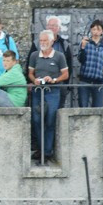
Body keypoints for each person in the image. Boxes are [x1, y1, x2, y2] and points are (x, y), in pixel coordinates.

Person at [28, 31, 69, 161]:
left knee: (50, 120)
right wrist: (34, 80)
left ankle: (47, 151)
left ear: (52, 42)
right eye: (41, 41)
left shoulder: (59, 56)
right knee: (36, 120)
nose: (43, 43)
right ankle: (41, 149)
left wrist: (54, 79)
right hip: (37, 91)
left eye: (45, 41)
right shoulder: (35, 55)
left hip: (53, 91)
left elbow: (65, 74)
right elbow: (30, 73)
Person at [77, 19, 103, 108]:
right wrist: (83, 48)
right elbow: (80, 59)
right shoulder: (86, 43)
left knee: (99, 107)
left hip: (98, 81)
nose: (95, 32)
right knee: (83, 107)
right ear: (91, 30)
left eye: (98, 29)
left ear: (102, 31)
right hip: (85, 80)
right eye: (94, 29)